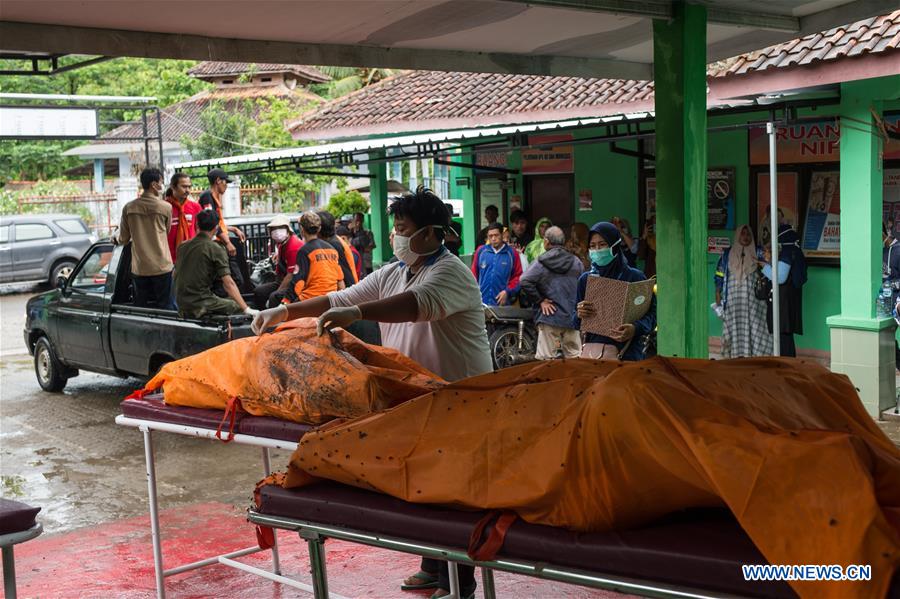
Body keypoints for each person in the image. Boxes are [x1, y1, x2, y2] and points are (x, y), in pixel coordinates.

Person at [251, 186, 492, 599]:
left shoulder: (450, 272)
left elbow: (417, 305)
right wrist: (285, 311)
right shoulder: (397, 270)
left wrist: (359, 313)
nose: (397, 236)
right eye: (396, 227)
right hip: (413, 393)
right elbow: (344, 296)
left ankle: (461, 582)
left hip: (460, 394)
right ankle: (433, 565)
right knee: (420, 483)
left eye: (404, 229)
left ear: (433, 233)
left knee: (454, 492)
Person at [575, 222, 656, 361]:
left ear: (615, 245)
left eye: (602, 245)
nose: (597, 250)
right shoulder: (585, 280)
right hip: (594, 356)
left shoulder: (634, 277)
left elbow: (653, 315)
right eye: (592, 246)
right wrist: (579, 314)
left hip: (628, 356)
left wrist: (635, 328)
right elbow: (575, 322)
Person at [174, 210, 256, 319]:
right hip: (200, 303)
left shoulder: (183, 246)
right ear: (216, 228)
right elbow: (229, 283)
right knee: (237, 307)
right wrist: (246, 309)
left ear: (197, 225)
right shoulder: (215, 248)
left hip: (180, 302)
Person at [520, 226, 584, 359]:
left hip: (549, 317)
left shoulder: (541, 262)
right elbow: (583, 287)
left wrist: (540, 300)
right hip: (572, 318)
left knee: (546, 361)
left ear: (546, 242)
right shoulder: (576, 262)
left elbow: (524, 280)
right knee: (576, 360)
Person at [117, 167, 175, 310]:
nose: (162, 186)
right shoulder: (166, 207)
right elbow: (166, 231)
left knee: (141, 309)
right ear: (154, 185)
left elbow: (123, 239)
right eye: (161, 182)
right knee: (166, 307)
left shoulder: (129, 208)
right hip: (162, 267)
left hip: (140, 268)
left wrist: (116, 239)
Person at [714, 224, 771, 358]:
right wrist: (718, 293)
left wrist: (766, 260)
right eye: (742, 234)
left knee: (756, 328)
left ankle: (756, 357)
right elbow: (719, 274)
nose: (745, 237)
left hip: (754, 302)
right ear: (738, 235)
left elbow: (770, 269)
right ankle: (736, 356)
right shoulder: (727, 254)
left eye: (748, 234)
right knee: (734, 328)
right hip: (734, 301)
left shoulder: (758, 252)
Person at [199, 168, 250, 290]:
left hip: (220, 243)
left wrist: (232, 229)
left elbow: (217, 223)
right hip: (216, 245)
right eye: (225, 182)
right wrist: (228, 243)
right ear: (218, 181)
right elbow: (211, 224)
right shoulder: (207, 197)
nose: (226, 186)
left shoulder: (214, 198)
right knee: (235, 279)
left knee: (231, 279)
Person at [761, 224, 807, 357]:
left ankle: (786, 366)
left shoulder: (788, 251)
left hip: (784, 301)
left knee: (783, 336)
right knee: (786, 336)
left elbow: (780, 278)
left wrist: (764, 266)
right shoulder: (796, 250)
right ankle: (789, 364)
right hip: (790, 299)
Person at [288, 212, 345, 302]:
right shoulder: (332, 249)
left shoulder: (304, 251)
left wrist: (286, 301)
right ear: (319, 229)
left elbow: (298, 282)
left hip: (310, 300)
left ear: (302, 229)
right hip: (330, 299)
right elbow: (340, 281)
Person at [253, 215, 304, 309]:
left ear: (288, 230)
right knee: (259, 291)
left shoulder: (293, 246)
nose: (277, 231)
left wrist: (278, 291)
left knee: (274, 297)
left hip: (295, 283)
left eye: (280, 228)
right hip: (281, 280)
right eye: (274, 229)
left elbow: (290, 275)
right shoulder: (281, 243)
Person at [471, 223, 522, 306]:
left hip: (502, 303)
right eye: (490, 236)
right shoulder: (481, 251)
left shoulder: (512, 253)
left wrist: (507, 291)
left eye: (496, 235)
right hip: (482, 302)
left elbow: (518, 277)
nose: (493, 238)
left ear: (502, 235)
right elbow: (473, 275)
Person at [165, 172, 201, 262]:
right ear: (173, 187)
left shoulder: (195, 207)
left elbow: (199, 230)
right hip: (169, 258)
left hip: (191, 255)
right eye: (184, 187)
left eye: (189, 187)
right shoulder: (164, 207)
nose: (188, 190)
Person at [318, 210, 358, 288]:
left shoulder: (333, 244)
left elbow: (345, 273)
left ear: (320, 229)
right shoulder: (333, 240)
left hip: (347, 291)